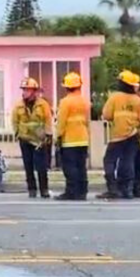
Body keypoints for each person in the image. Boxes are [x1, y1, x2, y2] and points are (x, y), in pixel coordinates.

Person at [98, 70, 140, 200]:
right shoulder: (138, 100)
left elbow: (107, 115)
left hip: (118, 135)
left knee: (109, 160)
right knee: (128, 160)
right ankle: (128, 190)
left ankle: (113, 189)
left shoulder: (115, 97)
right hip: (134, 134)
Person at [11, 78, 53, 198]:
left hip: (39, 141)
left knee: (41, 167)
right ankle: (31, 189)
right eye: (24, 90)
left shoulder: (42, 104)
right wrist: (17, 134)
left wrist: (48, 135)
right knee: (28, 166)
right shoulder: (18, 106)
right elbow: (14, 121)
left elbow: (48, 120)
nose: (24, 92)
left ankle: (44, 189)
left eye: (27, 90)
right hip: (25, 139)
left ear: (34, 91)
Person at [55, 72, 91, 201]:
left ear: (66, 87)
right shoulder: (85, 101)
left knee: (70, 167)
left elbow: (61, 121)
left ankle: (71, 191)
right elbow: (87, 121)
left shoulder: (65, 102)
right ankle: (82, 191)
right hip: (83, 139)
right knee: (81, 167)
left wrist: (58, 136)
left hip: (69, 140)